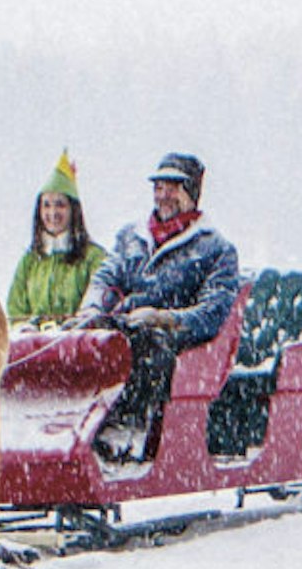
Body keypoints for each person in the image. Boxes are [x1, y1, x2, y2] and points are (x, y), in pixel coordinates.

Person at [77, 150, 243, 464]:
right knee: (85, 338)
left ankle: (126, 429)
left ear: (192, 193)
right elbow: (107, 278)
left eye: (174, 187)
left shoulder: (215, 248)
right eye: (159, 187)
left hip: (173, 338)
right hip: (126, 323)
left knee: (145, 341)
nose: (164, 196)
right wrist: (92, 309)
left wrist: (163, 318)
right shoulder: (132, 237)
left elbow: (211, 314)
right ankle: (67, 425)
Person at [6, 152, 103, 325]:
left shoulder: (94, 258)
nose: (53, 213)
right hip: (36, 348)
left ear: (73, 210)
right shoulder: (29, 261)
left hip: (78, 345)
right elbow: (15, 310)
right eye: (47, 205)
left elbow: (100, 305)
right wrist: (27, 329)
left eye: (60, 205)